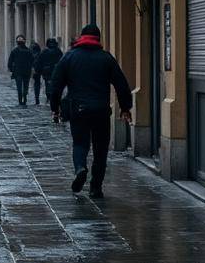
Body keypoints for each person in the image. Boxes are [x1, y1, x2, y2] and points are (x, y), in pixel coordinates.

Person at [49, 25, 132, 199]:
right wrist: (125, 108)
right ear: (98, 39)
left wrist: (55, 109)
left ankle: (80, 167)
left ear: (81, 37)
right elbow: (121, 85)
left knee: (80, 144)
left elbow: (55, 86)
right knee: (101, 149)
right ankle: (96, 187)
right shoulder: (106, 58)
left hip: (78, 110)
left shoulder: (69, 57)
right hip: (101, 110)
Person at [34, 38, 63, 106]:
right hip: (56, 70)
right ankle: (53, 97)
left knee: (48, 84)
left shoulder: (44, 51)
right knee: (55, 84)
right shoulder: (58, 51)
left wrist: (38, 71)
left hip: (46, 71)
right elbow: (62, 61)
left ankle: (49, 97)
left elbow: (39, 62)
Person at [8, 35, 35, 107]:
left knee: (19, 87)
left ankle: (21, 100)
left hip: (18, 72)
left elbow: (10, 62)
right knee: (25, 86)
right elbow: (33, 61)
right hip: (26, 71)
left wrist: (11, 69)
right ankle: (24, 99)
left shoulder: (15, 51)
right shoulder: (29, 51)